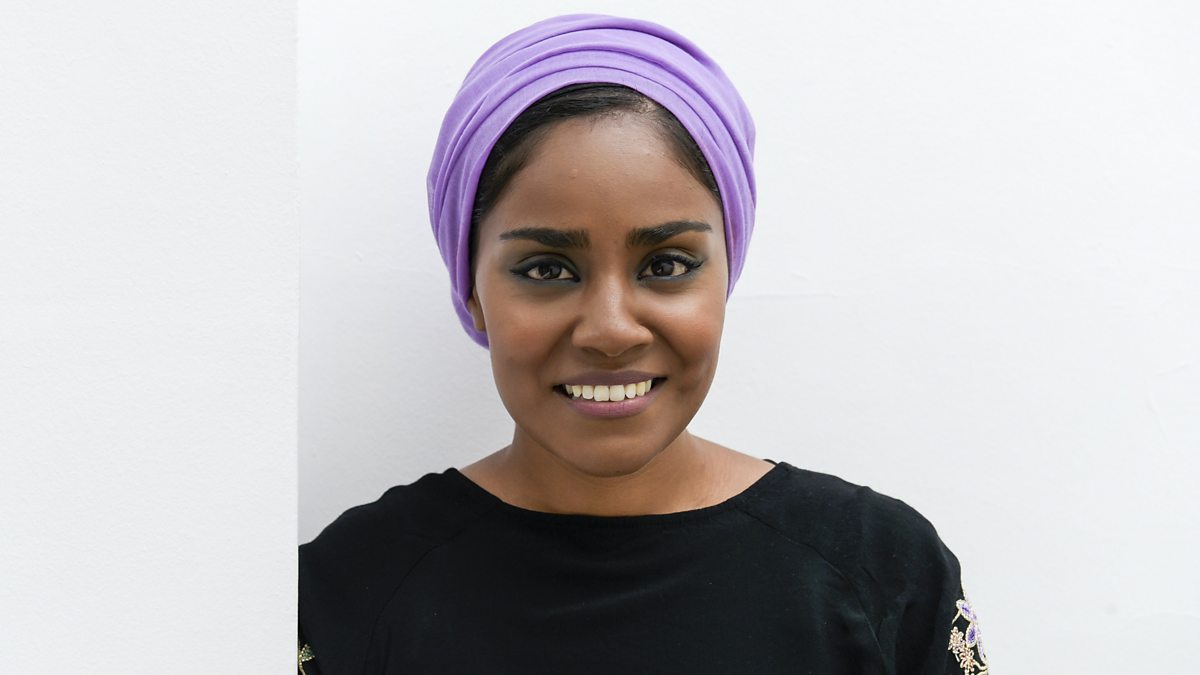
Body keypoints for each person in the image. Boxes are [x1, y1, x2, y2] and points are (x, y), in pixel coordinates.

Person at [299, 14, 988, 675]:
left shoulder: (884, 573)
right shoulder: (344, 593)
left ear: (726, 275)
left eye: (666, 264)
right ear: (471, 288)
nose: (611, 330)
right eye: (546, 270)